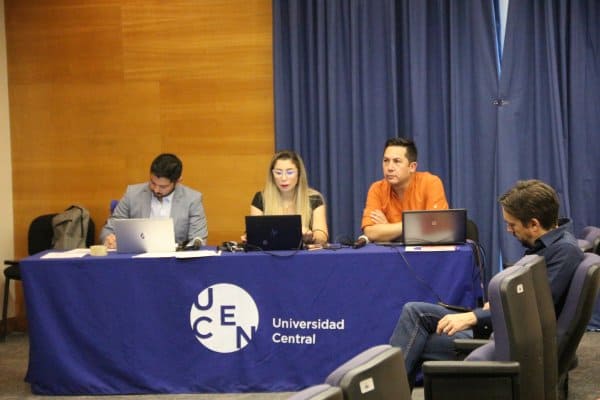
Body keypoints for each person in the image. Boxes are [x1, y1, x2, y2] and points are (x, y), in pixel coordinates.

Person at [389, 179, 583, 387]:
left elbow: (530, 312)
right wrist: (496, 304)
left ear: (534, 224)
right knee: (413, 311)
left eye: (512, 225)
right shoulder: (551, 245)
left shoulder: (563, 252)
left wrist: (474, 317)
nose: (508, 230)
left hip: (507, 336)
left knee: (418, 342)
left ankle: (388, 390)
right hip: (499, 321)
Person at [100, 153, 208, 248]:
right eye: (152, 182)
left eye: (163, 186)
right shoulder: (132, 194)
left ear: (178, 181)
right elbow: (109, 229)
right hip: (137, 258)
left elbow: (198, 239)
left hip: (174, 260)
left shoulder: (192, 199)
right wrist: (109, 239)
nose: (156, 189)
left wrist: (191, 246)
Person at [361, 137, 449, 242]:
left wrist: (388, 227)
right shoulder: (377, 189)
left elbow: (436, 228)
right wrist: (415, 225)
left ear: (412, 167)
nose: (389, 168)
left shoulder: (430, 183)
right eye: (386, 161)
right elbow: (371, 233)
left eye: (397, 161)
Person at [249, 150, 328, 245]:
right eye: (278, 173)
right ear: (272, 175)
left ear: (299, 174)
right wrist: (250, 237)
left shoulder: (314, 199)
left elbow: (322, 237)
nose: (283, 178)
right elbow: (255, 236)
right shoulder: (261, 199)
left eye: (290, 172)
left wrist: (311, 236)